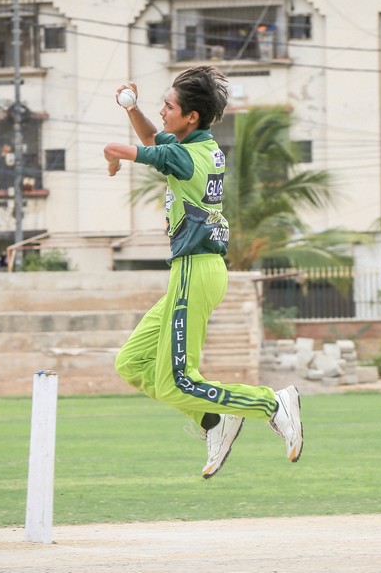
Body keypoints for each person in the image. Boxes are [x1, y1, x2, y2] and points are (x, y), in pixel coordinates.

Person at [103, 66, 303, 479]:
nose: (163, 111)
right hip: (196, 271)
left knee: (177, 380)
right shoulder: (200, 146)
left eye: (168, 106)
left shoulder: (183, 155)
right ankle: (214, 421)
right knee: (132, 363)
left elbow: (126, 148)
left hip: (194, 269)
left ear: (191, 116)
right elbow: (151, 140)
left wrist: (111, 154)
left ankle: (272, 403)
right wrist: (133, 108)